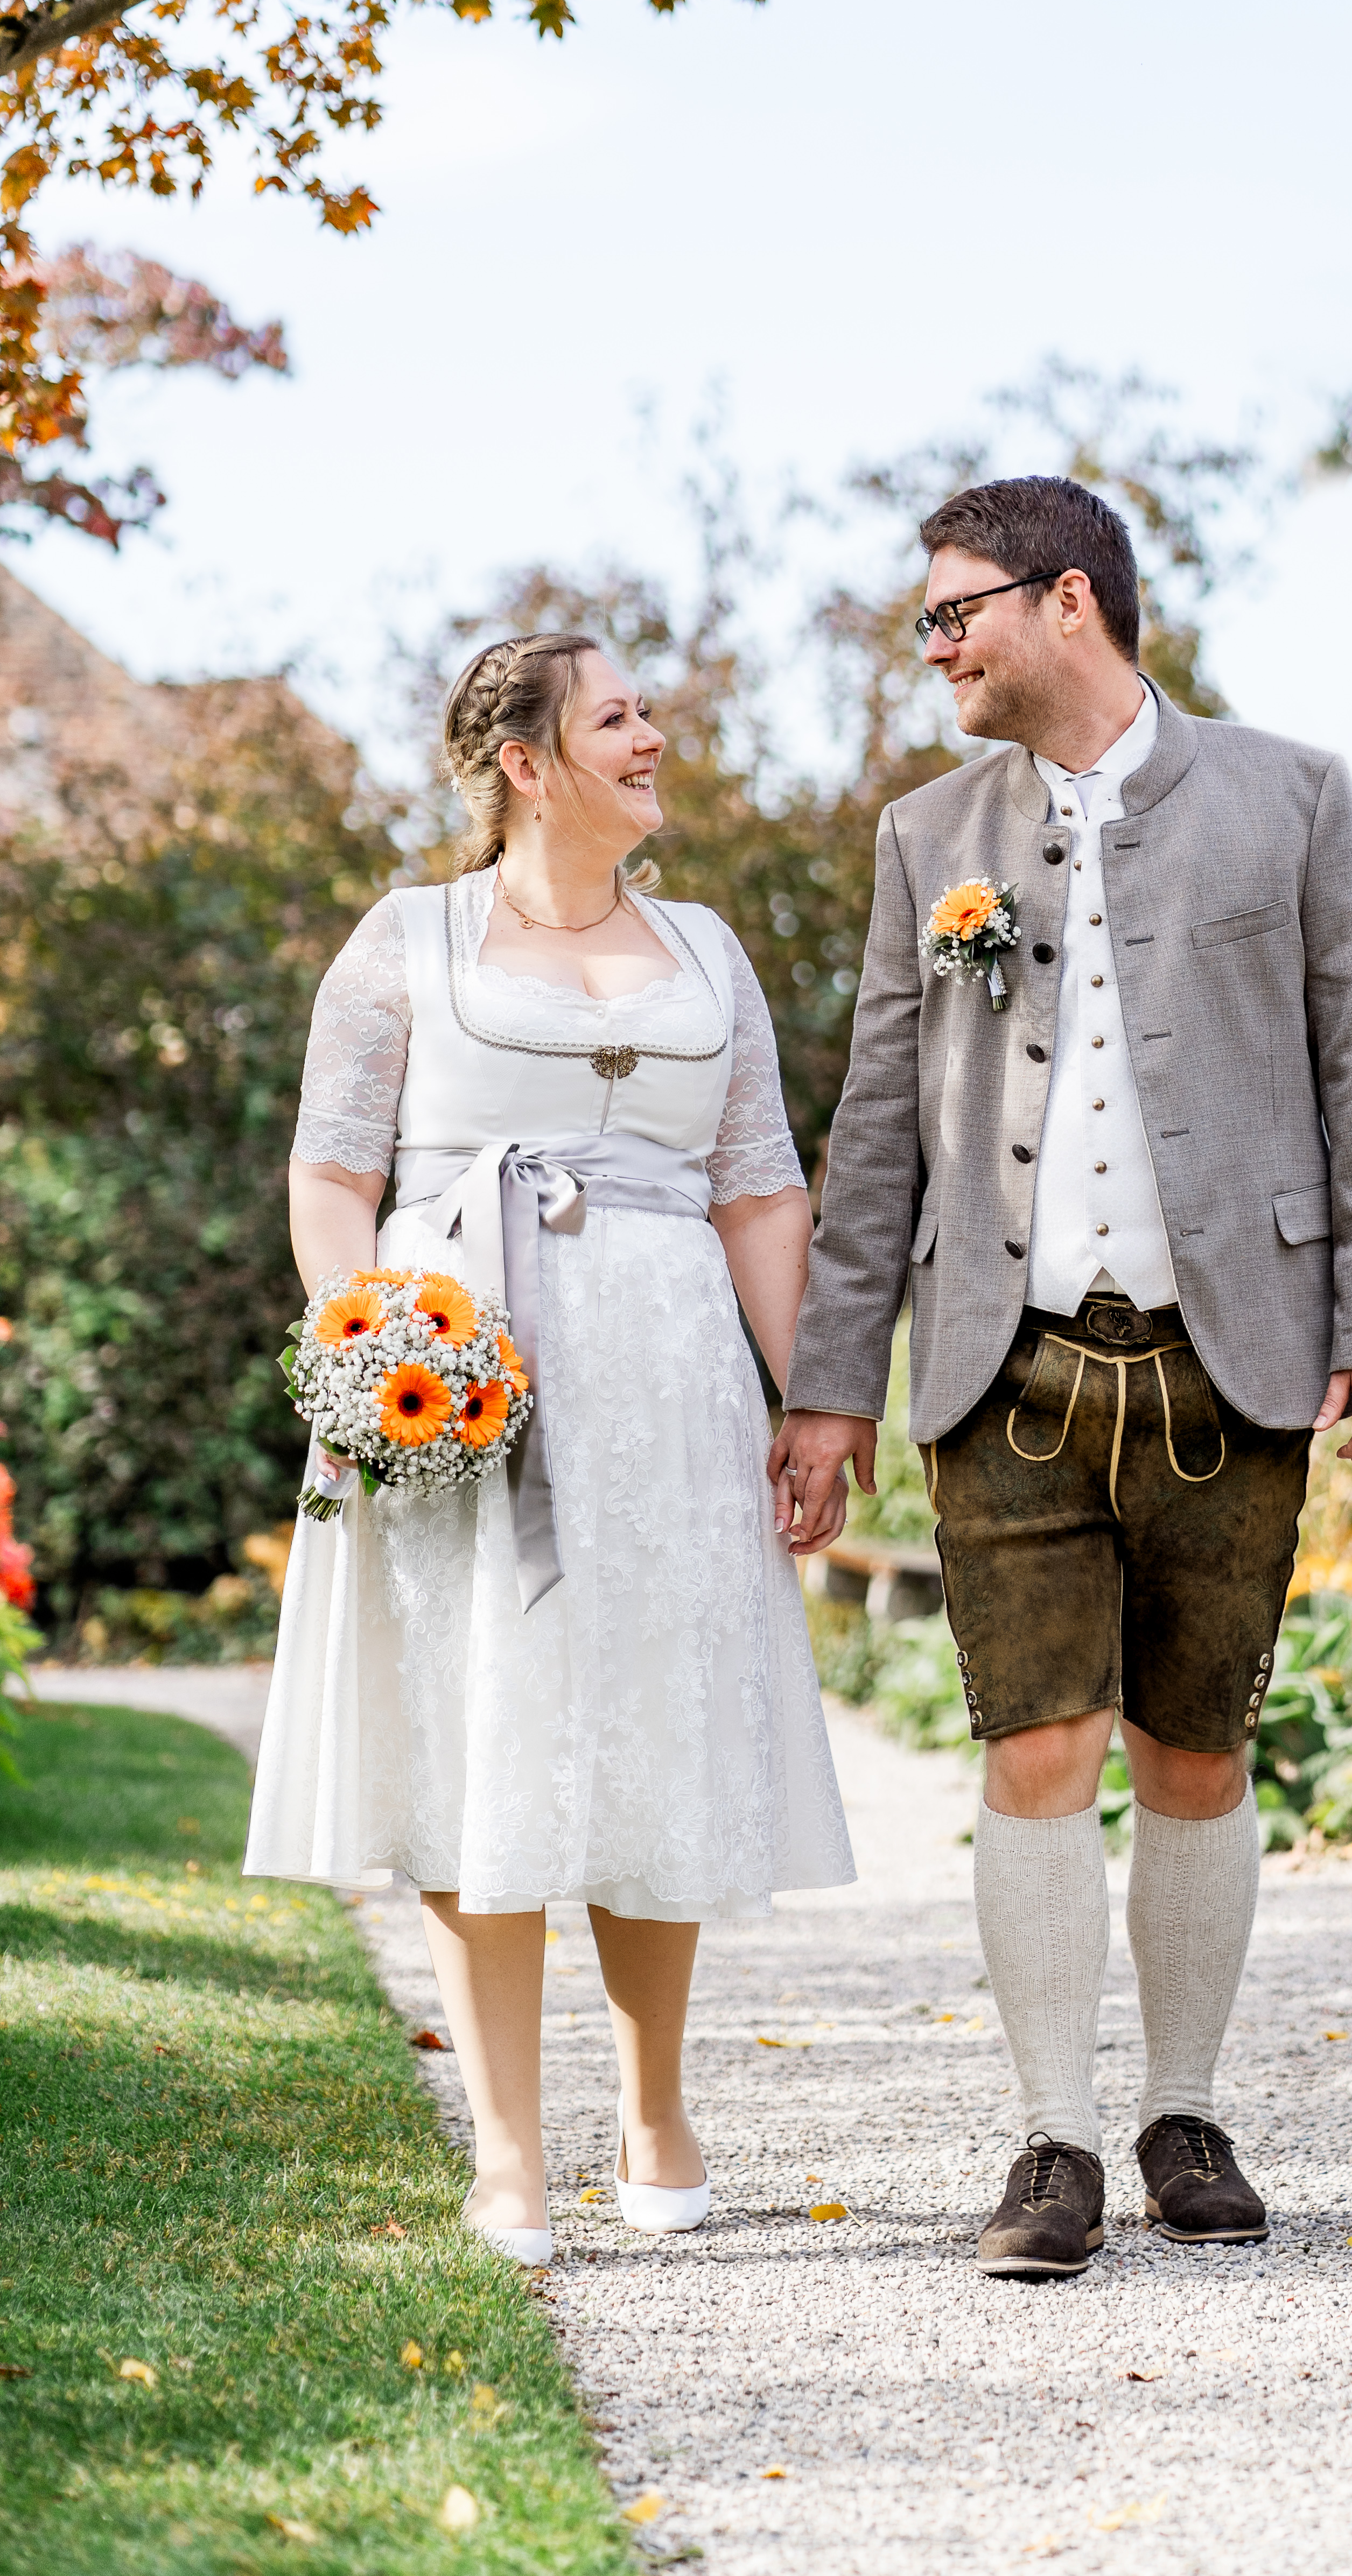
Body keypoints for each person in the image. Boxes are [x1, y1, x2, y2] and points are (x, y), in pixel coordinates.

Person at [772, 476, 1352, 2278]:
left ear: (1069, 601)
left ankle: (1185, 2111)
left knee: (1198, 1751)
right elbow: (882, 1128)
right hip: (1007, 1364)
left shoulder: (1291, 797)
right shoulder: (933, 838)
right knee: (1037, 1746)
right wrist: (832, 1389)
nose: (936, 647)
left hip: (1239, 1357)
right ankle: (1054, 2143)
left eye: (954, 612)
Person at [245, 632, 852, 2264]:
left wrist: (811, 1400)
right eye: (619, 717)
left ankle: (656, 2101)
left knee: (652, 1726)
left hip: (669, 1392)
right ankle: (507, 2151)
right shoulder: (406, 943)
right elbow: (330, 1173)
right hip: (469, 1387)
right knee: (481, 1738)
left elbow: (761, 1187)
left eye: (647, 711)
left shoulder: (709, 952)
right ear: (527, 761)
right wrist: (373, 1343)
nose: (656, 736)